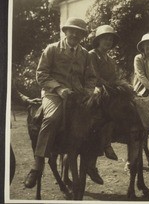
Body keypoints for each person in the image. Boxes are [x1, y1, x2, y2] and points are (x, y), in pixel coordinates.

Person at [24, 17, 93, 188]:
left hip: (78, 94)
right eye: (72, 30)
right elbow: (41, 74)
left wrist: (88, 91)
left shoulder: (84, 53)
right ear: (65, 31)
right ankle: (37, 165)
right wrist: (58, 88)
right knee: (52, 118)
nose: (75, 34)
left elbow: (91, 77)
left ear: (82, 35)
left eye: (79, 32)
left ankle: (92, 160)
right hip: (53, 93)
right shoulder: (52, 49)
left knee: (97, 117)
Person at [85, 24, 120, 184]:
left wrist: (119, 87)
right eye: (105, 38)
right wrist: (108, 86)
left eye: (111, 39)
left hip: (108, 90)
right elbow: (94, 76)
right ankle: (104, 146)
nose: (108, 41)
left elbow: (114, 77)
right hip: (94, 89)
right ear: (98, 40)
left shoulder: (111, 60)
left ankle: (114, 139)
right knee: (101, 113)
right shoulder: (92, 55)